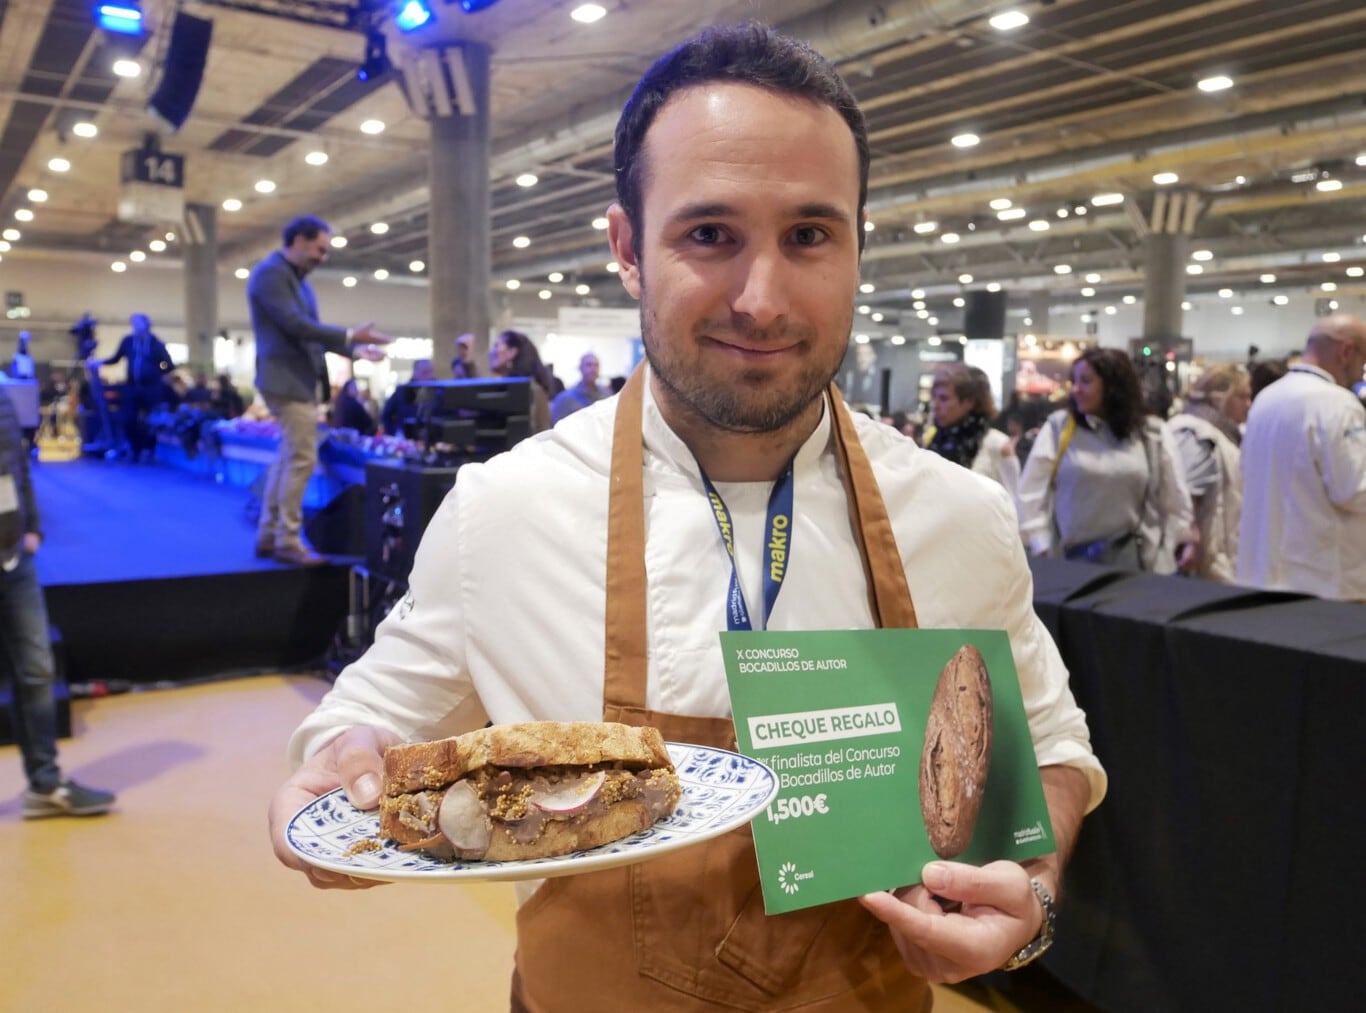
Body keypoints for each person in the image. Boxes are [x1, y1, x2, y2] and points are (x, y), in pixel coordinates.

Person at [268, 24, 1104, 1009]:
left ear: (856, 245)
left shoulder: (956, 514)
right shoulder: (507, 509)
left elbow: (1047, 745)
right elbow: (375, 717)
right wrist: (337, 775)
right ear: (626, 247)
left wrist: (1030, 897)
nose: (761, 297)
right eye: (709, 233)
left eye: (808, 234)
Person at [248, 214, 391, 566]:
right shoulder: (271, 274)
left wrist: (354, 350)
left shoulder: (295, 280)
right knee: (301, 458)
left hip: (293, 379)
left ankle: (270, 534)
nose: (322, 257)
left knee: (288, 457)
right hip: (286, 380)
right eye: (319, 249)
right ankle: (288, 539)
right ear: (298, 239)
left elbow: (309, 332)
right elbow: (297, 327)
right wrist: (348, 337)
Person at [0, 384, 115, 818]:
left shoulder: (3, 398)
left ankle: (45, 785)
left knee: (36, 671)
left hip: (15, 557)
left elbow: (18, 467)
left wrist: (33, 528)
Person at [1017, 347, 1195, 572]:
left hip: (1138, 565)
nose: (1076, 390)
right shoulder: (1059, 427)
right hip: (1068, 564)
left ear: (1113, 386)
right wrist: (1041, 545)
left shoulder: (1151, 432)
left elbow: (1174, 497)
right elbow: (1031, 492)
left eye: (1086, 381)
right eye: (1075, 381)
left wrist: (1178, 544)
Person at [1236, 314, 1366, 599]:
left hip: (1261, 571)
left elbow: (1245, 473)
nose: (1360, 374)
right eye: (1362, 362)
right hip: (1323, 582)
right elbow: (1354, 491)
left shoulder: (1265, 398)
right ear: (1346, 352)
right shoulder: (1339, 404)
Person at [1165, 364, 1251, 583]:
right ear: (1218, 398)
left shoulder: (1219, 433)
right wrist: (1190, 540)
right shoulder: (1195, 434)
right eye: (1242, 397)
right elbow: (1186, 491)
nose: (1248, 405)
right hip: (1202, 563)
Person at [924, 362, 1019, 495]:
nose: (935, 406)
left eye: (944, 399)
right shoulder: (935, 439)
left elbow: (1013, 503)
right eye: (934, 397)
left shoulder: (997, 445)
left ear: (969, 402)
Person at [92, 313, 174, 461]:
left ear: (147, 325)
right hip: (132, 387)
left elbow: (168, 365)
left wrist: (156, 373)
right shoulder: (128, 342)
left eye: (139, 323)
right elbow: (116, 358)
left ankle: (149, 448)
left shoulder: (156, 344)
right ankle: (135, 447)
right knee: (128, 418)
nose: (136, 327)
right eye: (134, 323)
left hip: (151, 389)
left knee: (152, 420)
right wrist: (100, 363)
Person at [488, 328, 553, 433]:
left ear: (512, 352)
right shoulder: (501, 387)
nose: (491, 352)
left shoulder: (533, 392)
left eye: (497, 346)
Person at [549, 352, 610, 424]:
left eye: (596, 365)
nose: (593, 369)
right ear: (580, 368)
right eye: (589, 365)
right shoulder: (565, 399)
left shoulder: (607, 396)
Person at [380, 358, 435, 436]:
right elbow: (386, 414)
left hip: (431, 438)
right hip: (405, 437)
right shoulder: (402, 391)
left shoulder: (437, 391)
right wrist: (393, 433)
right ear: (415, 372)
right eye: (425, 372)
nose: (430, 376)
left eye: (431, 371)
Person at [841, 340, 882, 415]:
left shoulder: (880, 376)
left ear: (873, 356)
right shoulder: (850, 376)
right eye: (859, 354)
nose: (862, 358)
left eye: (866, 354)